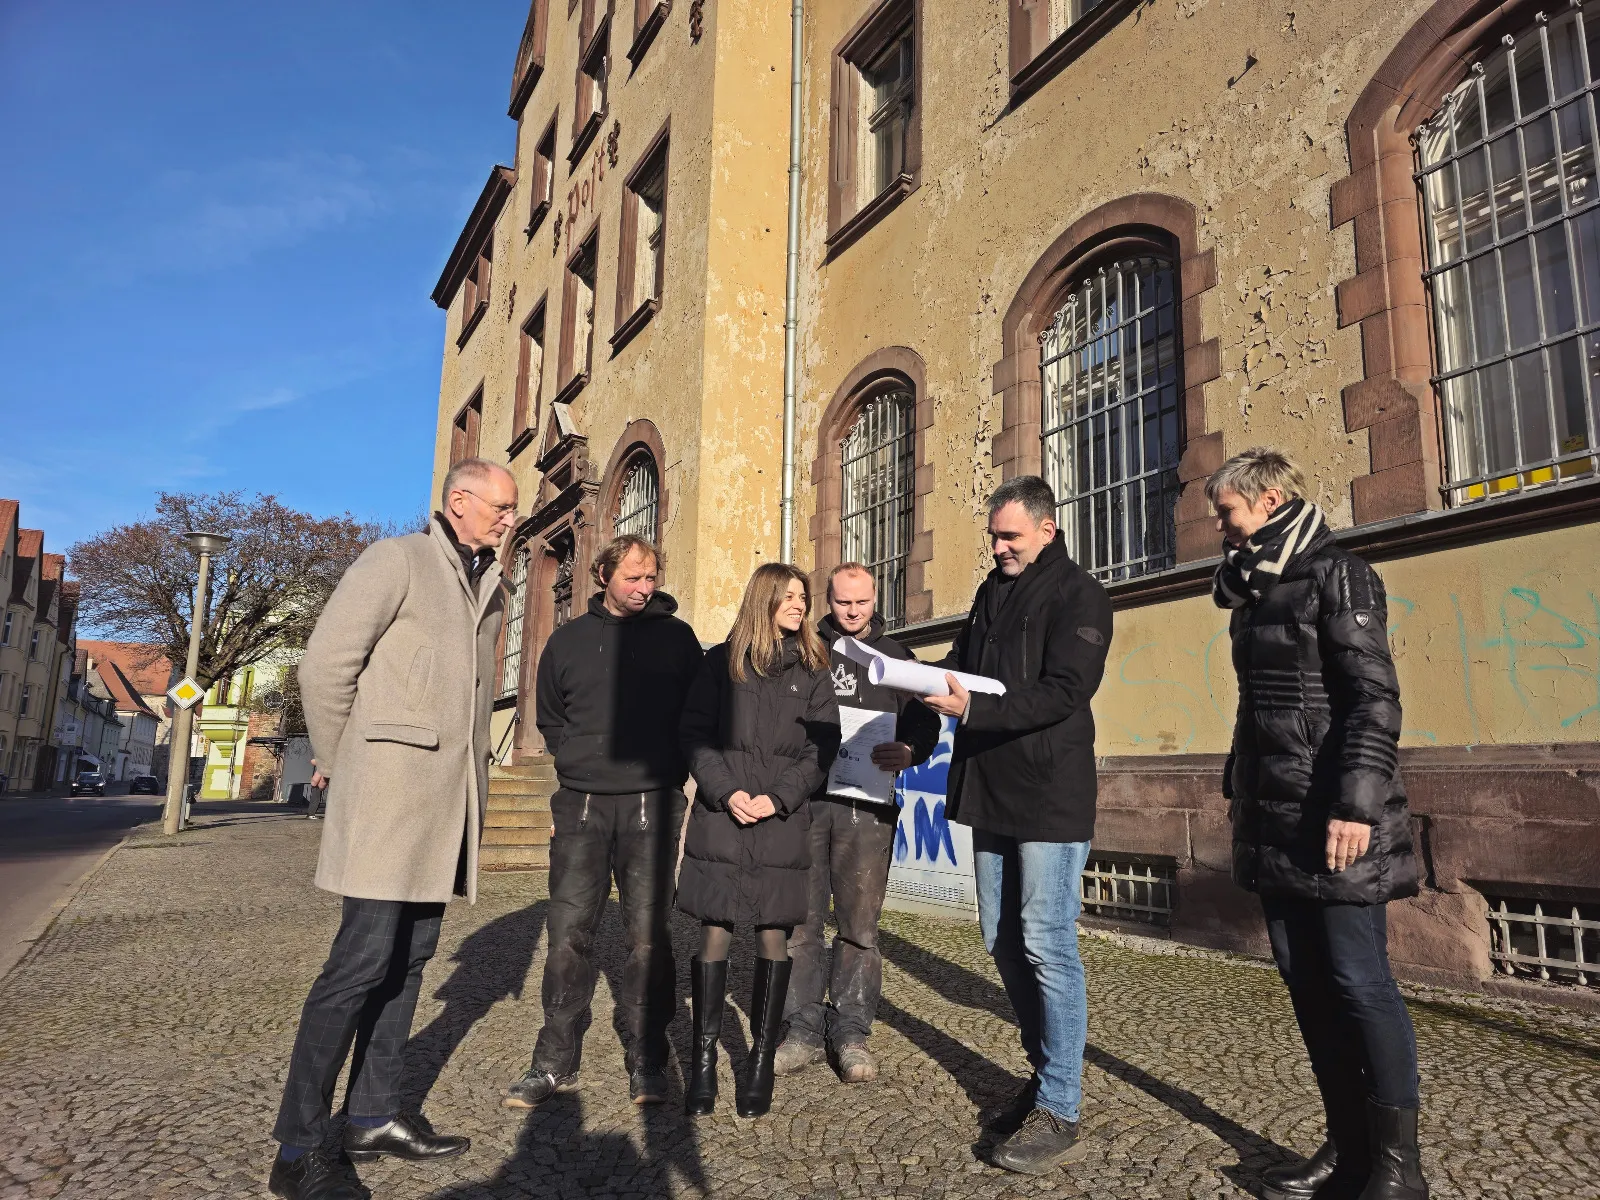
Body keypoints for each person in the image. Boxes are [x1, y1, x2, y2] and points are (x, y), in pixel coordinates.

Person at [268, 457, 516, 1200]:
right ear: (459, 501)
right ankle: (298, 1150)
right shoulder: (397, 560)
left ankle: (372, 1115)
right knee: (356, 967)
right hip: (387, 803)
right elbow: (325, 667)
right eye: (501, 506)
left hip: (442, 811)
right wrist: (349, 767)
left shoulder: (490, 586)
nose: (509, 517)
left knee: (409, 963)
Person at [1208, 448, 1426, 1200]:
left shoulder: (1341, 573)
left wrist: (1356, 804)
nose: (1218, 527)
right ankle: (1348, 1146)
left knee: (1359, 983)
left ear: (1268, 500)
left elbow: (1374, 700)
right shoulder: (1252, 588)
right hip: (1276, 818)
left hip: (1337, 818)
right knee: (1307, 985)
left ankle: (1400, 1168)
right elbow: (1262, 703)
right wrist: (1241, 789)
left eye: (1227, 511)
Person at [922, 475, 1112, 1176]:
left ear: (1046, 529)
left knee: (1045, 942)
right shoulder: (989, 592)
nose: (998, 547)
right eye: (994, 537)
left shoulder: (1080, 594)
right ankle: (1043, 1075)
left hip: (1049, 795)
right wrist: (911, 679)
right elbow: (964, 670)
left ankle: (1060, 1105)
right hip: (990, 788)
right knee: (1000, 938)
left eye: (1010, 536)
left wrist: (972, 710)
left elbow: (1066, 691)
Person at [503, 535, 704, 1110]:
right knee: (568, 934)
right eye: (632, 578)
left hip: (652, 804)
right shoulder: (566, 641)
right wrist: (577, 762)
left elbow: (698, 714)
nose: (643, 589)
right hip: (582, 805)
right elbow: (551, 716)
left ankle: (647, 1059)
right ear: (602, 576)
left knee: (648, 939)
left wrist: (673, 768)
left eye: (651, 579)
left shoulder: (677, 640)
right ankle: (554, 1062)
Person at [677, 563, 840, 1118]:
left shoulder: (816, 671)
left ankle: (761, 1059)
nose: (799, 605)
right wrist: (726, 792)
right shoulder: (719, 664)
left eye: (803, 597)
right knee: (714, 932)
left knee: (774, 935)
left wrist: (778, 798)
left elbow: (822, 749)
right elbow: (694, 735)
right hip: (723, 817)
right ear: (764, 600)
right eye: (789, 597)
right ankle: (702, 1063)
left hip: (779, 820)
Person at [773, 563, 940, 1084]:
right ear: (828, 600)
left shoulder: (896, 658)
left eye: (861, 602)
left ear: (875, 599)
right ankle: (799, 1029)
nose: (852, 610)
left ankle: (850, 1032)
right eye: (842, 602)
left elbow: (926, 717)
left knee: (860, 927)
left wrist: (910, 749)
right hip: (805, 802)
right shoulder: (805, 649)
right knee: (800, 925)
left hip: (866, 809)